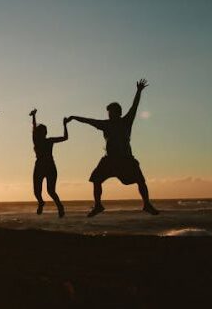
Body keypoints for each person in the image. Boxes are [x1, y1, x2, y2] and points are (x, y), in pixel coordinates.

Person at [68, 79, 159, 217]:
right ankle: (98, 205)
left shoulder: (126, 121)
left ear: (118, 113)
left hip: (126, 159)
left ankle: (146, 204)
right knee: (96, 180)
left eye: (111, 112)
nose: (109, 115)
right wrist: (74, 117)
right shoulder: (105, 124)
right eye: (108, 113)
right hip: (110, 160)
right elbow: (89, 121)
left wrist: (138, 91)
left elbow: (134, 106)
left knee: (140, 180)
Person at [30, 110, 69, 217]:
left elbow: (65, 138)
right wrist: (33, 116)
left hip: (50, 167)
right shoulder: (36, 140)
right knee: (37, 191)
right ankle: (41, 202)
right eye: (41, 132)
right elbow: (33, 128)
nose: (43, 133)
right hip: (40, 167)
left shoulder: (49, 141)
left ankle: (60, 207)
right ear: (39, 133)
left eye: (44, 131)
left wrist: (65, 125)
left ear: (45, 133)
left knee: (51, 191)